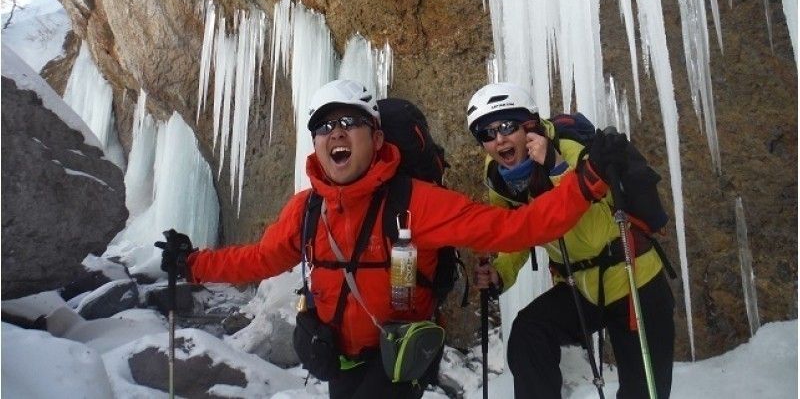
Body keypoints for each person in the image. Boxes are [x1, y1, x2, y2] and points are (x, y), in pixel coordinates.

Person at [158, 79, 628, 399]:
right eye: (325, 126)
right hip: (334, 355)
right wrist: (192, 265)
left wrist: (584, 184)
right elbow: (260, 259)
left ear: (376, 137)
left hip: (400, 353)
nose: (335, 133)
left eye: (349, 123)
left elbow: (514, 228)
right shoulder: (308, 209)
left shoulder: (416, 202)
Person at [468, 82, 675, 399]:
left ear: (529, 126)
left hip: (634, 281)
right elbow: (515, 232)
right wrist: (501, 272)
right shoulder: (499, 177)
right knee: (530, 332)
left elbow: (592, 234)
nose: (499, 140)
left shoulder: (572, 153)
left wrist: (556, 168)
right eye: (487, 133)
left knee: (643, 391)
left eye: (507, 126)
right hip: (581, 286)